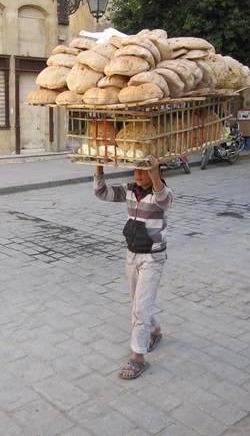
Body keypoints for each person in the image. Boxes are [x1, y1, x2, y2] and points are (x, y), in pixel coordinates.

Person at [93, 157, 173, 379]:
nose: (138, 174)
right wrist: (99, 165)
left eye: (144, 170)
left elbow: (163, 199)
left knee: (140, 308)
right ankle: (155, 330)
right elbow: (102, 193)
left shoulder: (163, 194)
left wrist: (155, 175)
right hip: (132, 255)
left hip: (152, 259)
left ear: (155, 171)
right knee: (137, 301)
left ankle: (138, 356)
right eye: (136, 169)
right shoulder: (129, 190)